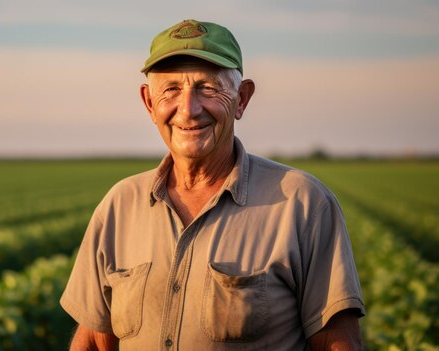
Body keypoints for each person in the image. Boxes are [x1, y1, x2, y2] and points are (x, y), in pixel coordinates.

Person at [60, 19, 365, 350]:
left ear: (242, 98)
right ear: (150, 103)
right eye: (172, 89)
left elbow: (338, 344)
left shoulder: (303, 204)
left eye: (207, 87)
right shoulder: (120, 205)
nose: (188, 110)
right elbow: (92, 340)